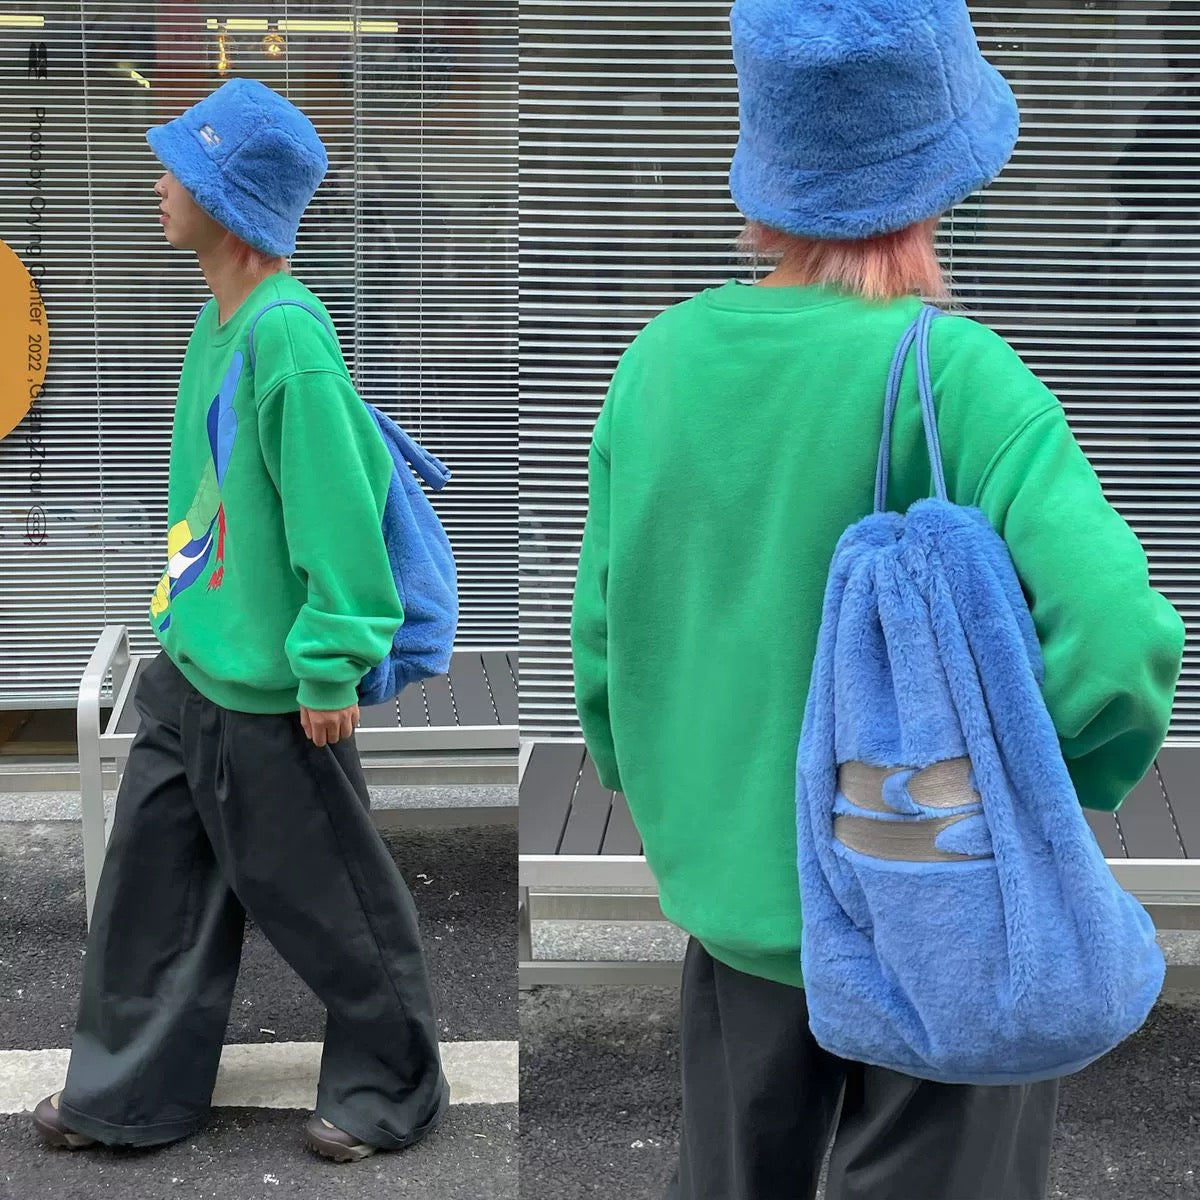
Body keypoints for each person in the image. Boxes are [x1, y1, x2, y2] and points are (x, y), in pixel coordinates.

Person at [570, 3, 1186, 1199]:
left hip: (738, 907)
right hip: (941, 901)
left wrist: (675, 795)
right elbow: (1117, 642)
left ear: (764, 185)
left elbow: (605, 646)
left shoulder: (657, 363)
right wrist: (1042, 785)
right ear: (943, 178)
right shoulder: (962, 376)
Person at [32, 77, 449, 1164]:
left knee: (328, 904)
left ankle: (395, 1086)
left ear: (233, 198)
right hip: (197, 665)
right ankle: (127, 1095)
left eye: (179, 167)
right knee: (151, 892)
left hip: (275, 686)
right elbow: (208, 502)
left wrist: (327, 669)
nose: (156, 183)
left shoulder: (285, 341)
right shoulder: (217, 322)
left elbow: (339, 524)